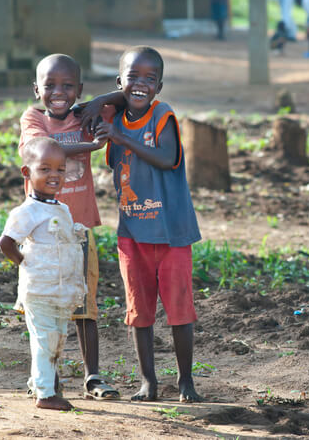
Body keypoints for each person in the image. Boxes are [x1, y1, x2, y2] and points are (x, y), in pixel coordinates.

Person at [93, 46, 203, 403]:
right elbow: (85, 117)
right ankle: (148, 383)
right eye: (132, 77)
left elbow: (167, 157)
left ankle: (186, 381)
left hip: (171, 233)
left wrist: (121, 136)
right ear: (119, 82)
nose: (140, 85)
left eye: (149, 79)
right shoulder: (112, 120)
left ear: (160, 86)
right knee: (138, 311)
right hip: (133, 233)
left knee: (179, 309)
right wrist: (110, 115)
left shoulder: (162, 116)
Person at [19, 54, 120, 401]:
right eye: (50, 85)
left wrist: (98, 102)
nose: (58, 92)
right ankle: (46, 377)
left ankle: (92, 376)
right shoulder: (33, 118)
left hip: (79, 229)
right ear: (36, 90)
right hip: (41, 234)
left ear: (79, 89)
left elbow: (130, 93)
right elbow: (45, 150)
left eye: (68, 86)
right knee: (44, 306)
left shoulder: (85, 114)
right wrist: (92, 144)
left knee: (85, 303)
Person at [0, 137, 88, 411]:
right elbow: (6, 242)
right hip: (39, 289)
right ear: (27, 173)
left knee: (55, 339)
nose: (54, 175)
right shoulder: (27, 211)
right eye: (45, 169)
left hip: (60, 291)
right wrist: (25, 263)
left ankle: (39, 384)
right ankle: (45, 394)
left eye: (60, 170)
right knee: (46, 339)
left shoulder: (62, 209)